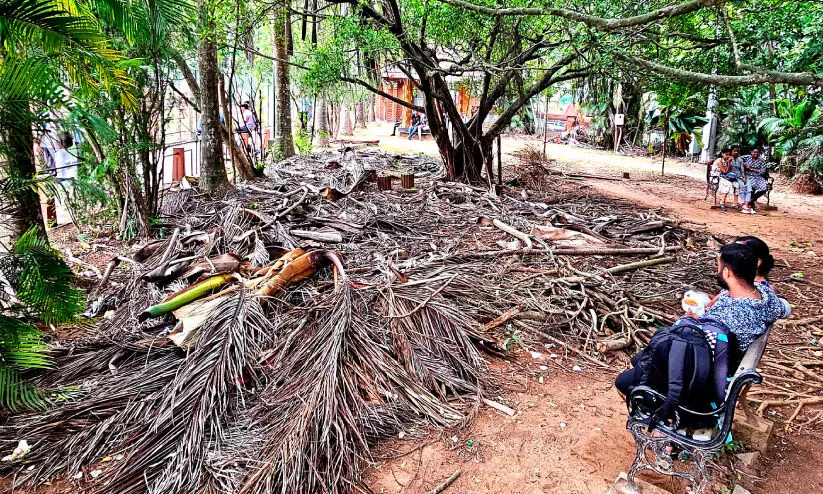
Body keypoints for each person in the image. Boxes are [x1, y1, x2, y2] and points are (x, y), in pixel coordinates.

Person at [741, 147, 769, 213]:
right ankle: (750, 204)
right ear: (751, 152)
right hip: (748, 176)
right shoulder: (747, 157)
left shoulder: (762, 161)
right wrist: (743, 164)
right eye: (754, 152)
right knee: (751, 186)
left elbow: (762, 171)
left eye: (757, 152)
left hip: (759, 177)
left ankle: (750, 201)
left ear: (759, 153)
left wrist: (750, 168)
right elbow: (738, 159)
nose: (755, 154)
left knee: (764, 188)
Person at [730, 145, 750, 212]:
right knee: (740, 186)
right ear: (731, 151)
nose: (736, 152)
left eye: (737, 151)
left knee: (746, 186)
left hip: (739, 176)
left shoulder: (740, 160)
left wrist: (744, 177)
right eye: (734, 151)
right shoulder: (729, 158)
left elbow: (742, 170)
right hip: (730, 176)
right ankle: (742, 203)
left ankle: (744, 203)